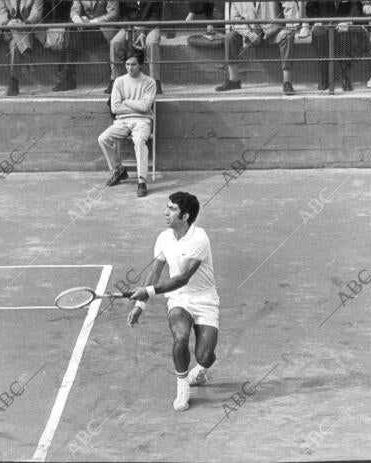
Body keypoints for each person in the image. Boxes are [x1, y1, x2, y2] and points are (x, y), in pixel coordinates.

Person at [128, 191, 220, 412]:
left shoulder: (199, 238)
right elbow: (156, 272)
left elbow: (183, 278)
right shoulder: (163, 238)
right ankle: (182, 387)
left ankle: (199, 371)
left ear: (185, 216)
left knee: (205, 355)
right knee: (180, 338)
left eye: (171, 209)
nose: (165, 212)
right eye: (166, 207)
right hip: (179, 299)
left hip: (205, 298)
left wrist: (148, 291)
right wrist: (140, 305)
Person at [98, 49, 156, 197]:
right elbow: (115, 107)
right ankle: (119, 170)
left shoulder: (150, 82)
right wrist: (136, 106)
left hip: (142, 121)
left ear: (141, 65)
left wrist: (127, 102)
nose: (130, 68)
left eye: (134, 64)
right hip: (122, 121)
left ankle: (142, 181)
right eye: (127, 64)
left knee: (139, 142)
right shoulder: (119, 81)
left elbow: (146, 107)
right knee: (103, 139)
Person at [216, 1, 297, 95]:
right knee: (230, 37)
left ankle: (287, 82)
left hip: (274, 31)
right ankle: (233, 80)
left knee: (288, 36)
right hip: (251, 33)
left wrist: (290, 26)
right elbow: (236, 20)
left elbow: (290, 4)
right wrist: (248, 33)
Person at [53, 0, 125, 92]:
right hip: (87, 29)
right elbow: (74, 10)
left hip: (104, 29)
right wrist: (77, 19)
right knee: (71, 30)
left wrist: (91, 22)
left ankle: (67, 78)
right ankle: (67, 77)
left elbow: (113, 14)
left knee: (71, 37)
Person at [308, 0, 364, 92]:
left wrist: (347, 21)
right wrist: (316, 21)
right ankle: (324, 78)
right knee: (318, 33)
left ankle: (345, 78)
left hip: (343, 24)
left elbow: (356, 6)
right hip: (324, 24)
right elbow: (311, 6)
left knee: (346, 35)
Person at [109, 1, 164, 95]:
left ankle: (155, 82)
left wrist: (143, 32)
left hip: (150, 27)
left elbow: (155, 17)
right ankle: (114, 80)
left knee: (151, 43)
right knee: (115, 42)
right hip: (130, 27)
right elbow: (123, 16)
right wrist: (130, 30)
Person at [0, 0, 44, 96]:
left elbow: (37, 13)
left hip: (28, 30)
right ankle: (26, 53)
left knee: (14, 44)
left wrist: (24, 23)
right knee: (15, 30)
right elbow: (1, 13)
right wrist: (8, 22)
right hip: (9, 31)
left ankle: (13, 81)